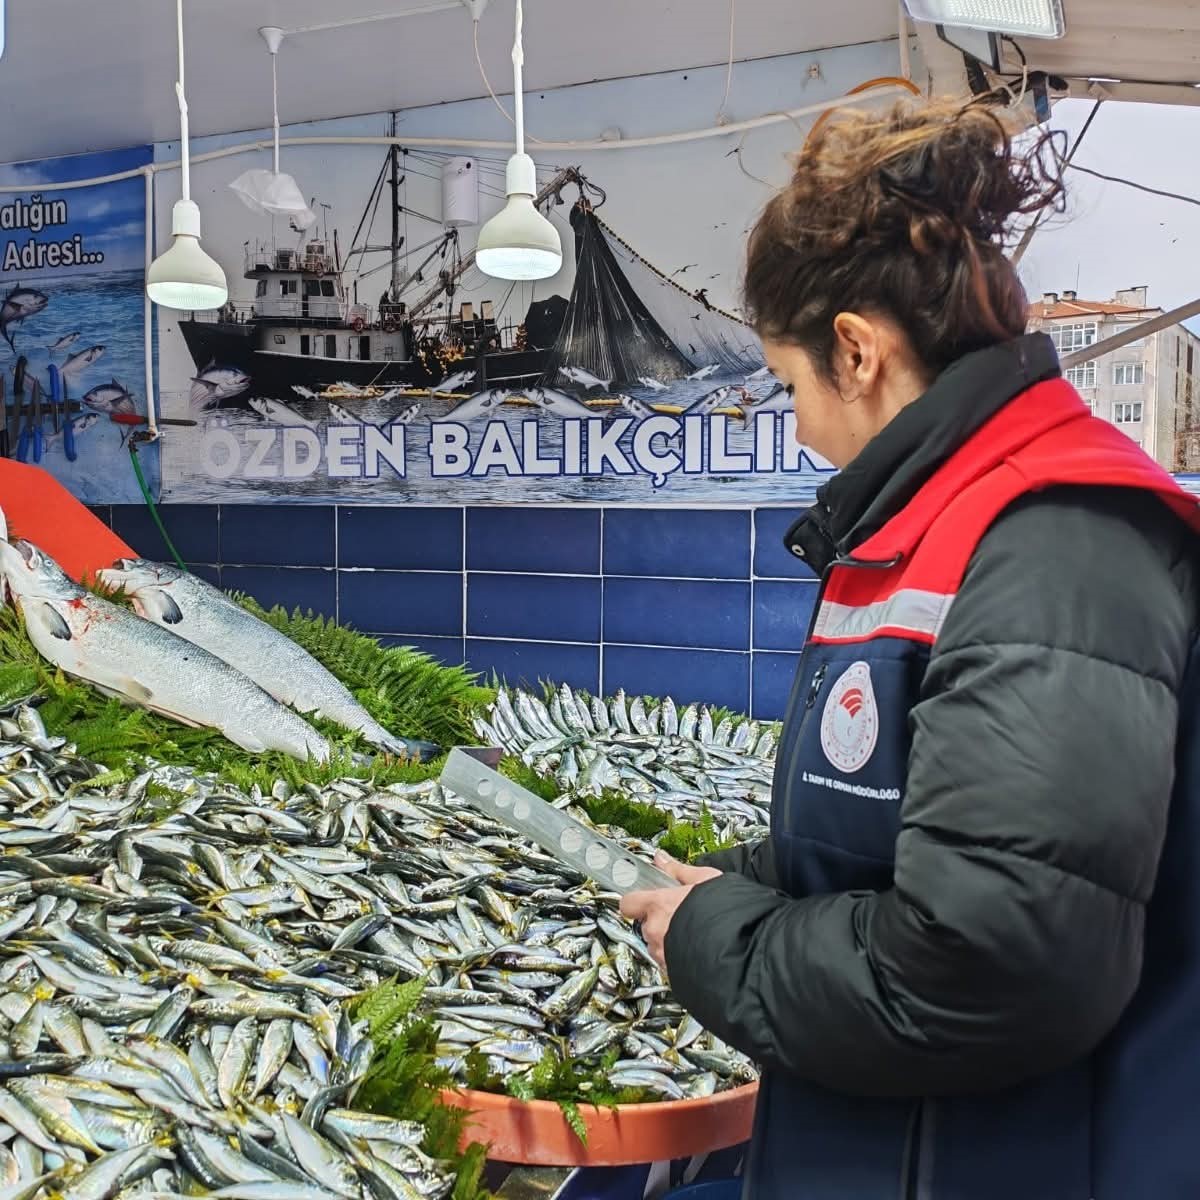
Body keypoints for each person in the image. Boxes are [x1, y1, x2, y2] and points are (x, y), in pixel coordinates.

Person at [622, 98, 1200, 1200]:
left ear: (856, 349)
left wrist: (719, 942)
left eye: (789, 386)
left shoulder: (1052, 546)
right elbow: (920, 839)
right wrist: (744, 883)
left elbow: (990, 970)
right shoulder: (941, 520)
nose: (795, 426)